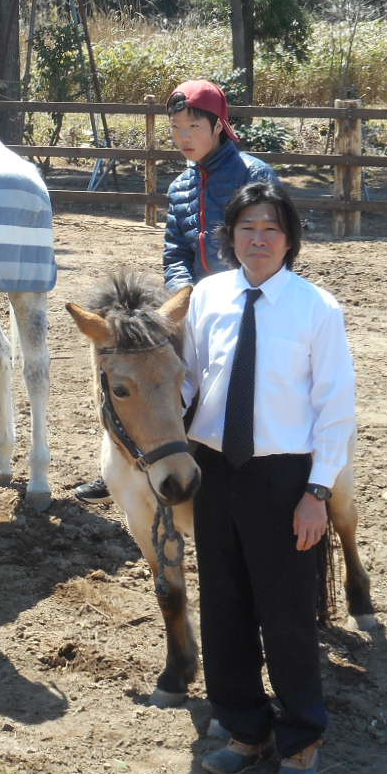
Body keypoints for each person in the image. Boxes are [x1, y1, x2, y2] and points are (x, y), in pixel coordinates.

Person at [181, 181, 356, 774]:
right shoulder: (207, 296)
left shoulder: (317, 309)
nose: (258, 239)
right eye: (247, 227)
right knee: (223, 605)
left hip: (284, 478)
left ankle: (301, 737)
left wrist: (316, 492)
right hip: (213, 470)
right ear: (229, 236)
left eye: (271, 229)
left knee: (285, 613)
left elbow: (335, 410)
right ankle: (243, 728)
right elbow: (189, 382)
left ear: (290, 241)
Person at [75, 78, 276, 503]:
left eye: (194, 128)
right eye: (176, 129)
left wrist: (229, 291)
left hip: (248, 299)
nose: (184, 138)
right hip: (193, 303)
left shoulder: (254, 174)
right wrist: (183, 293)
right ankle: (132, 460)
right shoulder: (180, 185)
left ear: (219, 126)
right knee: (146, 372)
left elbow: (271, 243)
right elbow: (175, 251)